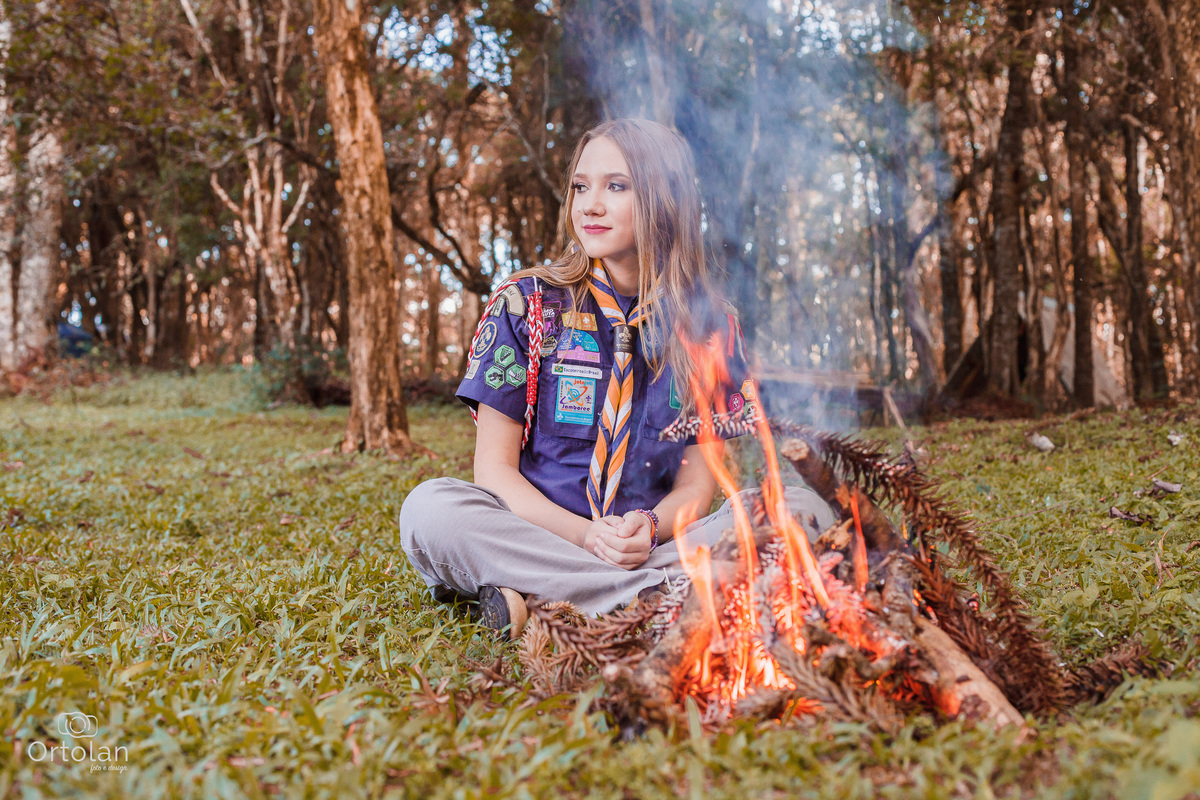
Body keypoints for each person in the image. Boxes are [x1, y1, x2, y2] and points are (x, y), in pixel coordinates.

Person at [399, 118, 833, 637]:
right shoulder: (527, 304)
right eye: (581, 187)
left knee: (803, 508)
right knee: (430, 511)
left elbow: (696, 487)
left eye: (617, 186)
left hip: (653, 546)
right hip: (540, 536)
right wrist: (587, 538)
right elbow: (494, 473)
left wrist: (648, 527)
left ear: (666, 200)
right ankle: (659, 598)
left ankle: (541, 597)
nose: (590, 205)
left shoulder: (709, 329)